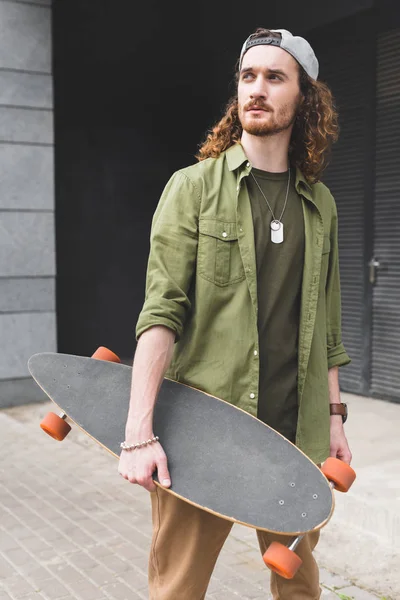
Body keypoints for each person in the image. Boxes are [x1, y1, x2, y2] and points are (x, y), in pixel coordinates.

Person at [118, 27, 352, 600]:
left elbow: (326, 324)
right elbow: (161, 313)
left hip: (293, 431)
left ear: (305, 98)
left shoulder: (319, 205)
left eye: (275, 77)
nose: (257, 88)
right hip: (203, 430)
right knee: (177, 587)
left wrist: (336, 418)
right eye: (248, 76)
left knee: (297, 585)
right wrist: (138, 431)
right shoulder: (192, 189)